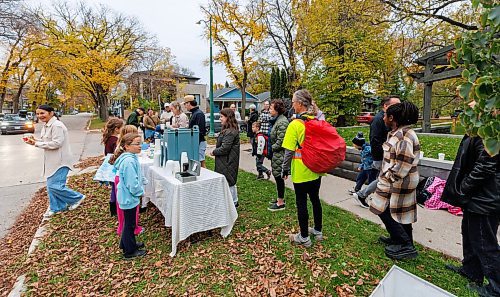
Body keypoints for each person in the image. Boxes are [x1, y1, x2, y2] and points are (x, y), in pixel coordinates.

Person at [441, 117, 499, 295]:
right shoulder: (479, 130)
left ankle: (496, 286)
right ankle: (471, 271)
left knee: (484, 241)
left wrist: (463, 188)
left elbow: (485, 165)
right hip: (478, 195)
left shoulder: (489, 133)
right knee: (469, 232)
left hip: (485, 197)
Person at [369, 101, 420, 260]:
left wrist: (387, 178)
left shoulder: (403, 136)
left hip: (397, 181)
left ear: (392, 118)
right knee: (401, 212)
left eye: (385, 115)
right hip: (400, 181)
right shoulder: (398, 132)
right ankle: (400, 239)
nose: (383, 117)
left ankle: (405, 245)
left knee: (382, 209)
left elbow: (403, 164)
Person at [24, 105, 85, 217]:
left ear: (51, 113)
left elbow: (57, 143)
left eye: (42, 113)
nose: (39, 116)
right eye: (37, 114)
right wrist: (35, 140)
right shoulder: (46, 126)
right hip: (51, 161)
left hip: (60, 161)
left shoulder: (57, 126)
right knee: (50, 186)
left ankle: (77, 198)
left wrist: (36, 144)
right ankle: (57, 207)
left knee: (54, 186)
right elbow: (46, 140)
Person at [281, 90, 324, 247]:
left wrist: (284, 170)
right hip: (316, 169)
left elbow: (289, 152)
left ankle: (304, 237)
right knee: (315, 199)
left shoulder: (295, 124)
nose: (292, 104)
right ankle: (318, 231)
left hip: (301, 170)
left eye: (293, 101)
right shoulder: (316, 121)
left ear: (299, 104)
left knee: (301, 203)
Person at [351, 95, 401, 205]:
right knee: (383, 179)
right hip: (381, 157)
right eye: (396, 105)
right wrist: (379, 158)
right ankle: (363, 195)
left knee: (383, 179)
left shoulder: (390, 119)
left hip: (386, 156)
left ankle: (363, 195)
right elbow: (375, 141)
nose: (399, 107)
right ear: (386, 106)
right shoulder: (379, 120)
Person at [109, 133, 147, 260]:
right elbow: (132, 182)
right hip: (128, 196)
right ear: (126, 146)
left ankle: (126, 243)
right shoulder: (129, 161)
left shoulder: (131, 158)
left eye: (140, 143)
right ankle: (129, 251)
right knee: (129, 224)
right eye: (137, 144)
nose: (140, 146)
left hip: (127, 196)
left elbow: (137, 175)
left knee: (128, 222)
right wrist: (139, 192)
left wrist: (143, 181)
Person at [210, 108, 240, 207]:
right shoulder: (228, 130)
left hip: (228, 161)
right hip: (226, 161)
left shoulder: (230, 132)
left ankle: (231, 204)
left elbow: (225, 148)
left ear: (228, 118)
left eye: (222, 117)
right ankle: (234, 202)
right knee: (230, 180)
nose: (220, 119)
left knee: (229, 181)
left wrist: (214, 152)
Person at [267, 99, 289, 212]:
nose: (269, 110)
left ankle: (280, 202)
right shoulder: (277, 120)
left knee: (279, 177)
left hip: (280, 154)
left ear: (277, 110)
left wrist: (271, 148)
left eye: (271, 108)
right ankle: (279, 199)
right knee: (277, 176)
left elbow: (281, 141)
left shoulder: (282, 122)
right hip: (276, 154)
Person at [101, 118, 124, 216]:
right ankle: (115, 207)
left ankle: (113, 206)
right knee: (116, 187)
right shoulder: (115, 140)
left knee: (113, 187)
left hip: (110, 164)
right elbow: (116, 153)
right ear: (116, 129)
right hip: (114, 165)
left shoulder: (108, 138)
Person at [349, 132, 377, 208]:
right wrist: (361, 166)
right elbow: (363, 160)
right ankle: (357, 189)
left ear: (358, 144)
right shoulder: (361, 149)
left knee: (372, 181)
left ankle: (373, 194)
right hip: (365, 167)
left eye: (354, 144)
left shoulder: (368, 149)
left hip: (371, 168)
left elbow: (375, 154)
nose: (353, 145)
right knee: (360, 178)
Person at [184, 95, 207, 167]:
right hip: (195, 142)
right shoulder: (194, 113)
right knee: (197, 163)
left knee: (201, 162)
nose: (185, 106)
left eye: (185, 104)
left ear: (188, 103)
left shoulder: (198, 114)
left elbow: (201, 131)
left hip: (199, 142)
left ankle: (207, 176)